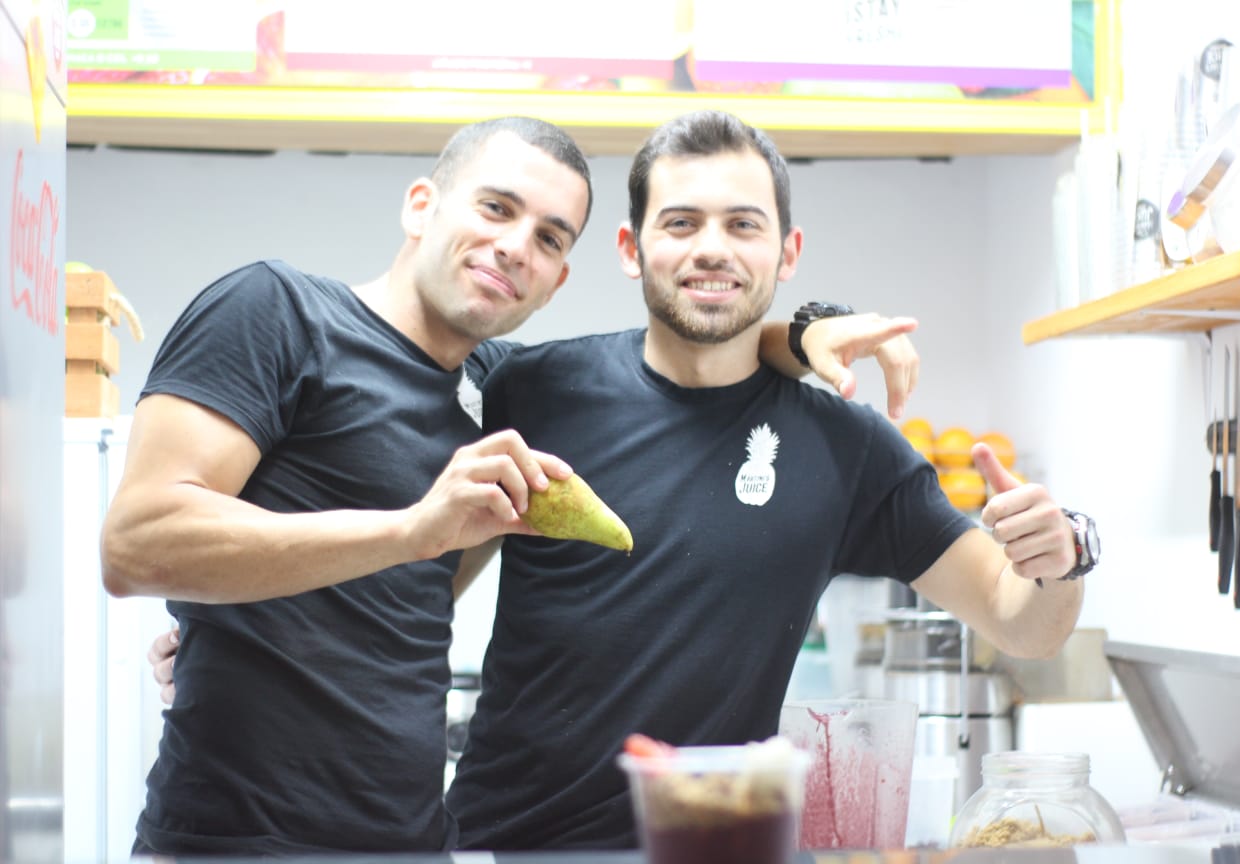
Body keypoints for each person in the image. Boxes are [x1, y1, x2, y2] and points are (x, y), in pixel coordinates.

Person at [109, 114, 921, 856]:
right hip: (229, 839)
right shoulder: (278, 312)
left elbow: (700, 348)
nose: (513, 247)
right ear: (422, 205)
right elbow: (135, 545)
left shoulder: (504, 390)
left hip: (408, 839)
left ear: (557, 279)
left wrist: (805, 329)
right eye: (495, 209)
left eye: (548, 237)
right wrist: (410, 531)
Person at [438, 110, 1090, 850]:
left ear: (787, 252)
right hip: (506, 846)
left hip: (717, 848)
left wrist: (1060, 558)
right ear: (630, 247)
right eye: (681, 223)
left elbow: (1022, 623)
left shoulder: (846, 449)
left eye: (743, 225)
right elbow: (424, 585)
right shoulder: (532, 392)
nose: (712, 248)